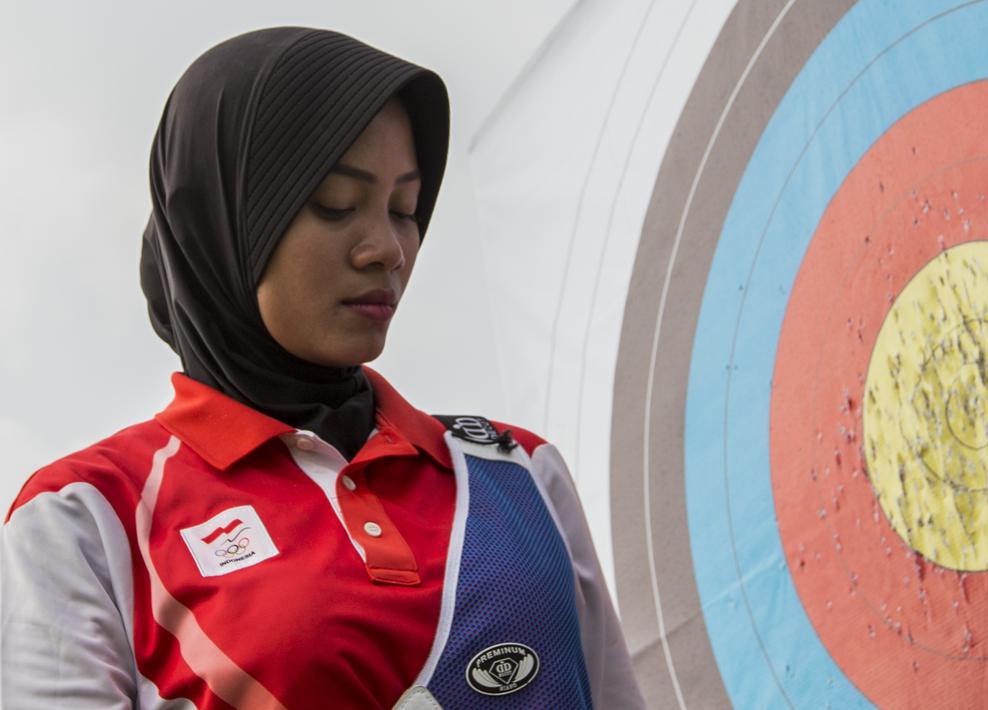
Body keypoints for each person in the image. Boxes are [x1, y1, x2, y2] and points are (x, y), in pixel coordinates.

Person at [1, 27, 644, 710]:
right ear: (225, 223)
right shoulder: (88, 516)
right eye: (336, 204)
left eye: (404, 208)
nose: (386, 249)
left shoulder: (517, 473)